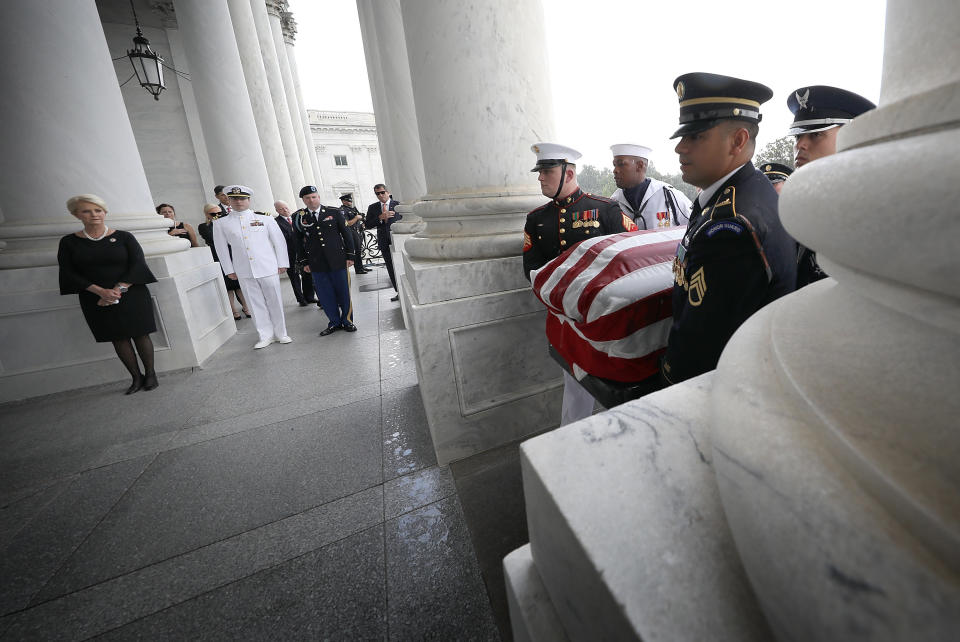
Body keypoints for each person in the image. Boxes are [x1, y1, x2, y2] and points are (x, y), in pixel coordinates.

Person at [662, 72, 797, 385]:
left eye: (695, 136)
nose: (680, 148)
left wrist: (667, 377)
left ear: (738, 141)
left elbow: (702, 346)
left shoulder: (730, 226)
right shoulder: (741, 193)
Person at [522, 142, 638, 425]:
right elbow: (532, 269)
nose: (540, 177)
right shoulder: (536, 220)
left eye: (547, 171)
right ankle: (572, 441)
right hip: (566, 318)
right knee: (575, 382)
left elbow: (631, 258)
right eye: (540, 171)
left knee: (619, 380)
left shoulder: (605, 210)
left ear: (569, 173)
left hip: (607, 315)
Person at [58, 194, 159, 394]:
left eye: (98, 210)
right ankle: (136, 378)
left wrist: (116, 291)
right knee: (118, 337)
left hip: (131, 293)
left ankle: (150, 375)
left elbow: (138, 265)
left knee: (141, 334)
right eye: (86, 211)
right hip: (94, 297)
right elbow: (69, 273)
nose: (94, 214)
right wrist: (101, 292)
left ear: (105, 212)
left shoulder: (124, 237)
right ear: (76, 215)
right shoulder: (69, 242)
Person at [788, 85, 876, 287]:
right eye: (797, 136)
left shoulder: (865, 208)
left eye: (816, 134)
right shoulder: (806, 204)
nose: (800, 144)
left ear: (852, 136)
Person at [212, 185, 292, 349]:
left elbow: (279, 242)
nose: (239, 202)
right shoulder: (221, 223)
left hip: (267, 266)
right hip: (243, 269)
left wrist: (282, 263)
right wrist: (229, 269)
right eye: (234, 198)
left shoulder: (265, 219)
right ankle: (265, 335)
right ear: (229, 200)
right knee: (254, 304)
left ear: (248, 200)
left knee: (274, 300)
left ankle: (281, 333)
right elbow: (221, 249)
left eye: (242, 198)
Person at [295, 185, 357, 335]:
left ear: (318, 197)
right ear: (303, 200)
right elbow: (297, 241)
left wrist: (350, 255)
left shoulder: (333, 212)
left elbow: (346, 234)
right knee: (325, 294)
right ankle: (334, 322)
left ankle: (347, 321)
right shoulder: (298, 217)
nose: (311, 200)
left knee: (343, 292)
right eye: (307, 198)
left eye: (314, 196)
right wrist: (304, 262)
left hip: (338, 260)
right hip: (316, 262)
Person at [609, 143, 692, 229]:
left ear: (639, 165)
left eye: (621, 164)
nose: (615, 170)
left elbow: (694, 226)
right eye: (614, 165)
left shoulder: (668, 195)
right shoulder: (613, 203)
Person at [198, 203, 250, 320]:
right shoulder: (204, 226)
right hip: (218, 257)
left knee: (239, 285)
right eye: (213, 214)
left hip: (234, 255)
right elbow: (211, 238)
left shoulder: (227, 223)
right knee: (228, 287)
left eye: (219, 213)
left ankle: (246, 307)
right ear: (207, 215)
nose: (217, 215)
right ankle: (233, 310)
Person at [274, 199, 317, 306]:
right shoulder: (276, 222)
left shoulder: (297, 217)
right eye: (281, 209)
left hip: (303, 252)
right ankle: (301, 299)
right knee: (295, 277)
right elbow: (281, 238)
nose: (285, 210)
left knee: (307, 274)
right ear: (277, 210)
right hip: (290, 254)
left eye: (286, 208)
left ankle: (309, 297)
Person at [364, 183, 402, 301]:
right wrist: (380, 217)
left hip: (398, 241)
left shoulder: (398, 205)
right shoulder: (373, 207)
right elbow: (368, 224)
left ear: (388, 192)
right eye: (377, 194)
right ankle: (399, 292)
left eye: (382, 192)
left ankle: (406, 290)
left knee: (401, 266)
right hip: (384, 242)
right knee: (391, 268)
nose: (380, 195)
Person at [339, 193, 370, 274]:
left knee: (359, 250)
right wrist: (356, 218)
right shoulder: (342, 210)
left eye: (350, 199)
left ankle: (361, 267)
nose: (350, 201)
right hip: (351, 232)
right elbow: (346, 223)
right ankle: (358, 269)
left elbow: (361, 218)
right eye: (347, 200)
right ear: (343, 201)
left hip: (358, 231)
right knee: (356, 251)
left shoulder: (353, 209)